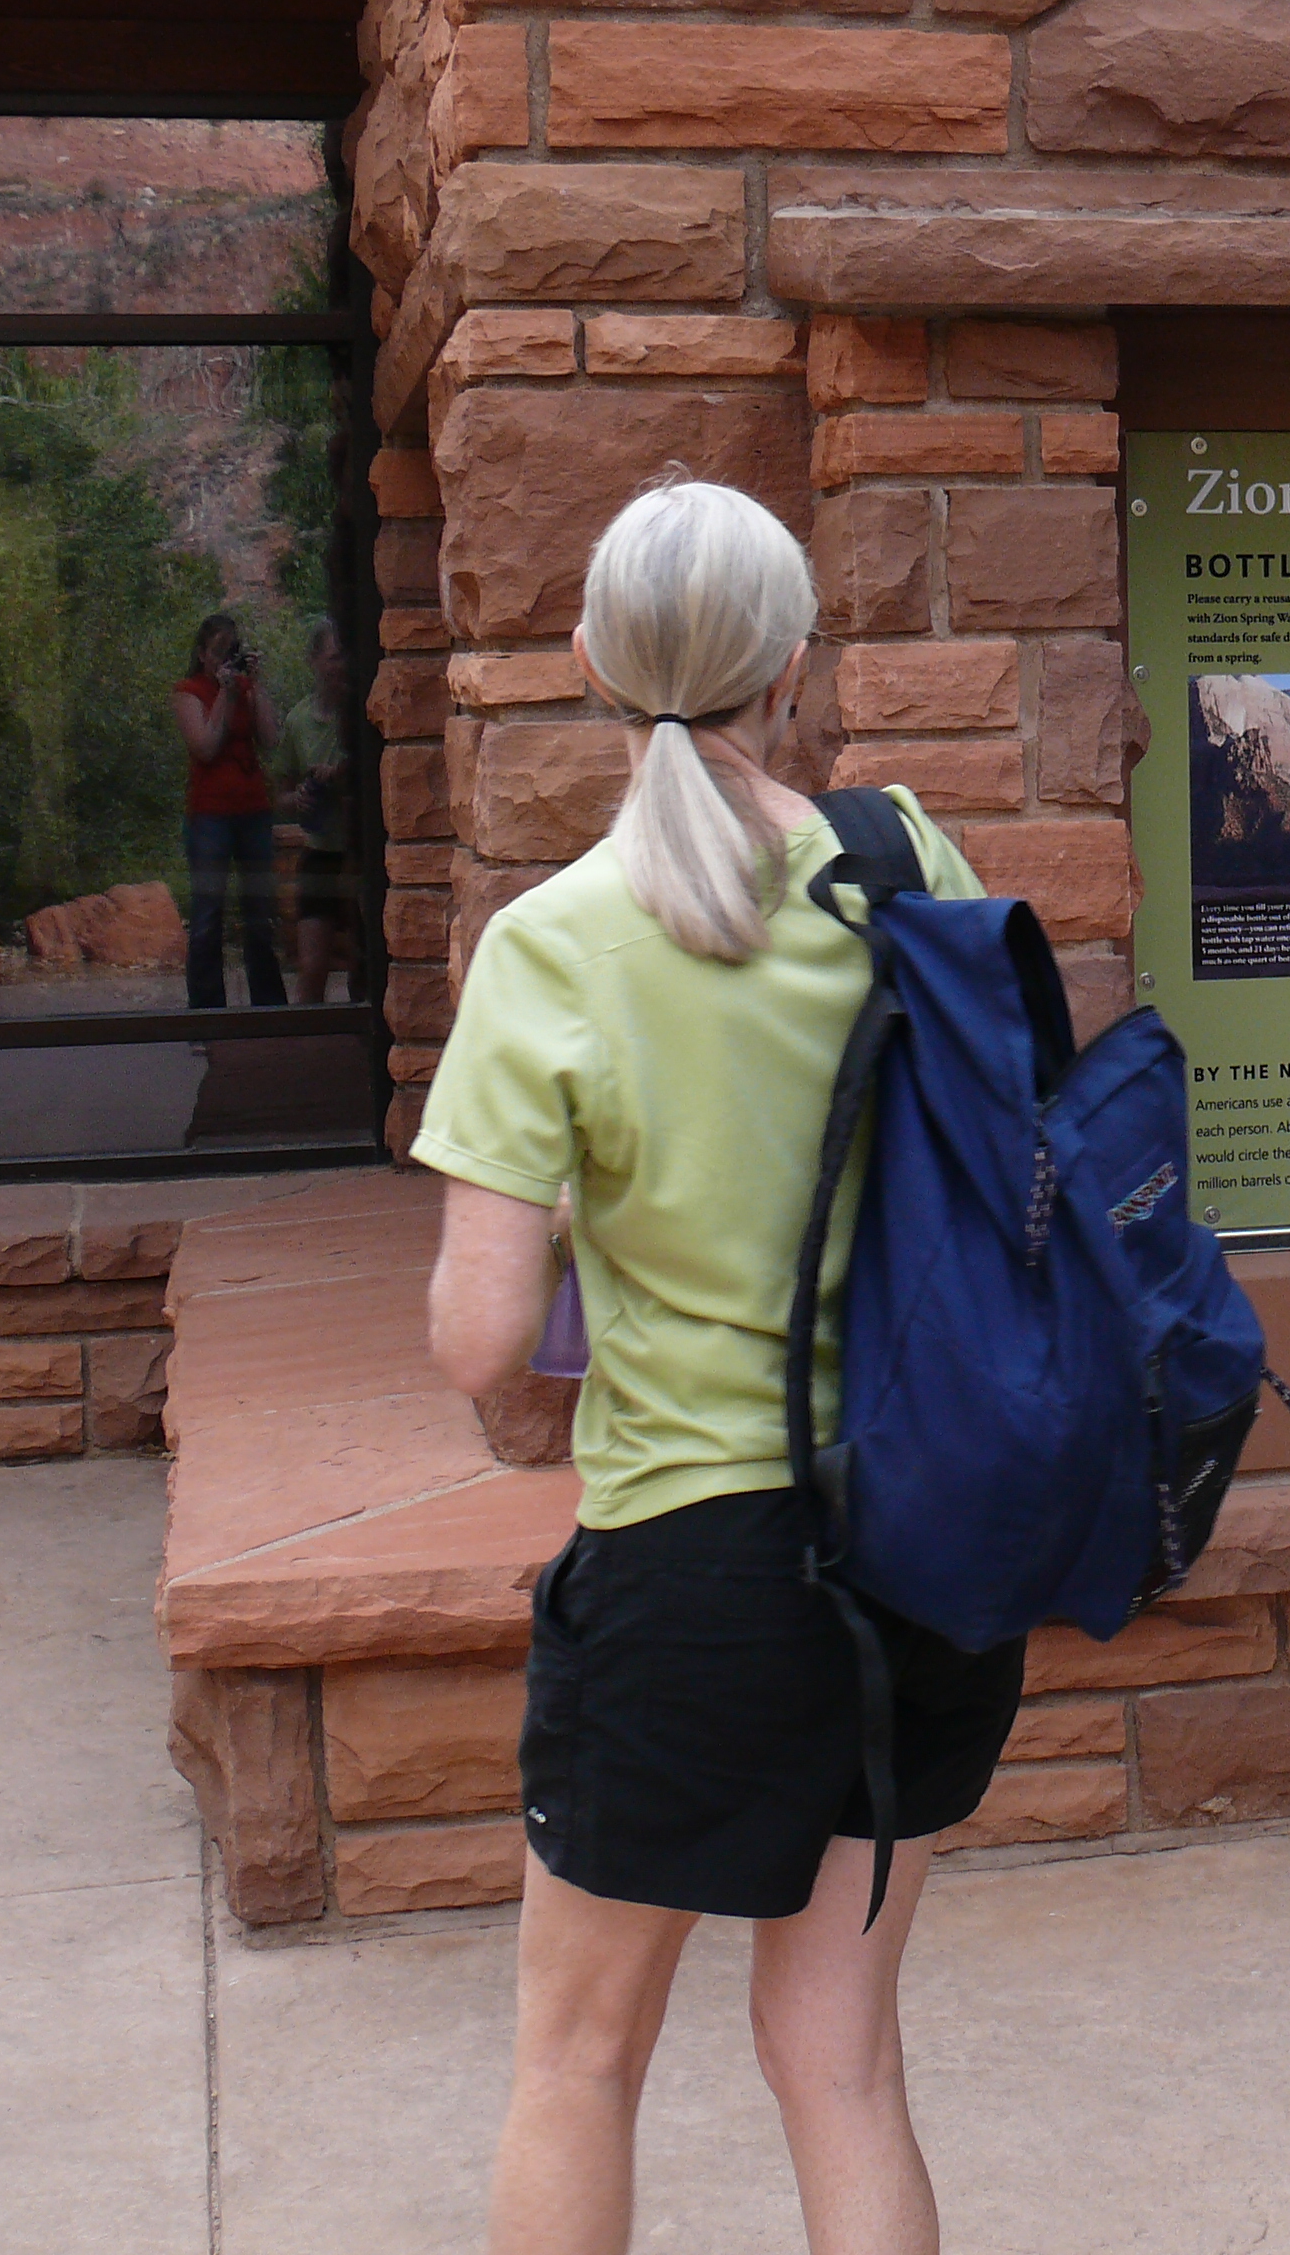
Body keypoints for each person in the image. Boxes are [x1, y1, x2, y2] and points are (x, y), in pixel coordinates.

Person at [415, 480, 1022, 2255]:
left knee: (577, 2056)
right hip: (930, 1547)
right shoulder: (906, 859)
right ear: (797, 661)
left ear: (592, 660)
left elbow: (475, 1335)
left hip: (696, 1567)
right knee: (840, 2064)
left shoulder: (552, 946)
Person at [172, 613, 287, 1011]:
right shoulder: (189, 693)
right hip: (210, 815)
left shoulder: (245, 688)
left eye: (231, 651)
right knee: (208, 915)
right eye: (219, 653)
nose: (226, 660)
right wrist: (225, 694)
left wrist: (255, 686)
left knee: (259, 912)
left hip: (252, 809)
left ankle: (269, 1005)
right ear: (202, 655)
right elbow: (205, 745)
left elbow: (271, 739)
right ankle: (207, 1007)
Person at [274, 616, 361, 1005]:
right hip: (319, 852)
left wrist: (344, 776)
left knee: (366, 962)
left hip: (357, 851)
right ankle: (305, 1048)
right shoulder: (298, 721)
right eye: (332, 657)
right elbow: (278, 795)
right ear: (313, 661)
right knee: (312, 965)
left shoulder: (362, 716)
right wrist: (299, 799)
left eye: (344, 657)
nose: (338, 666)